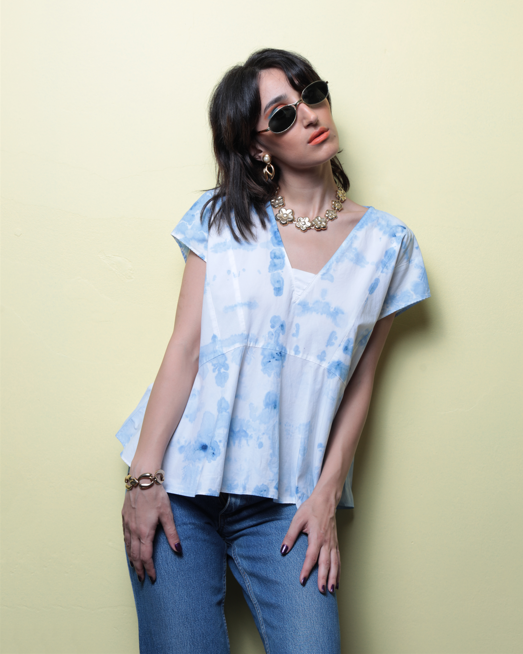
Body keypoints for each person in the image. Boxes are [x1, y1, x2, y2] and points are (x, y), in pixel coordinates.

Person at [117, 48, 431, 654]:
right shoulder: (220, 219)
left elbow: (361, 382)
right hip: (180, 487)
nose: (310, 115)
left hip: (290, 501)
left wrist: (326, 496)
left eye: (312, 94)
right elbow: (185, 349)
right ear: (259, 146)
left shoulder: (388, 245)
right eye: (282, 115)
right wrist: (144, 479)